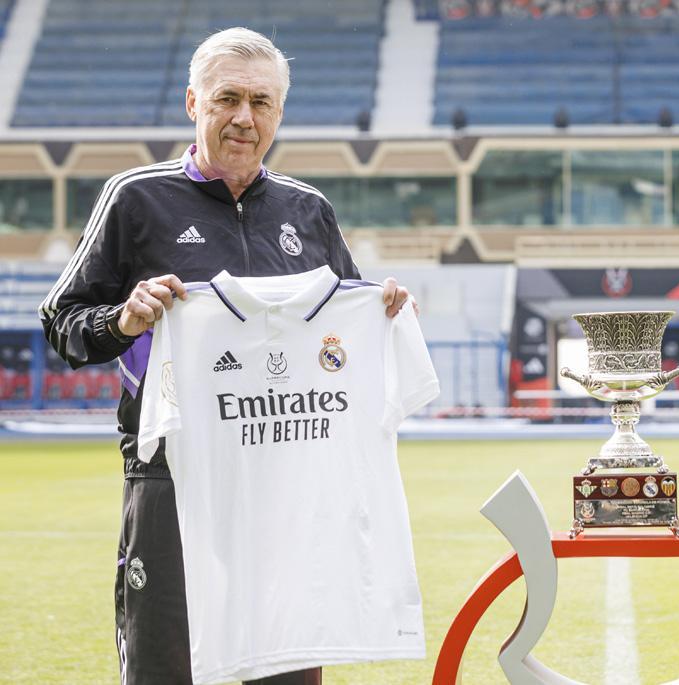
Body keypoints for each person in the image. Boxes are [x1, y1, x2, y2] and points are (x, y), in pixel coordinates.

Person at [38, 28, 413, 685]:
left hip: (287, 490)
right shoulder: (136, 199)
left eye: (261, 102)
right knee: (164, 672)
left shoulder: (309, 211)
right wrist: (123, 319)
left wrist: (379, 315)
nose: (244, 117)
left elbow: (341, 336)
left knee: (288, 676)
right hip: (172, 480)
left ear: (280, 113)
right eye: (227, 98)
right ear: (193, 103)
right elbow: (61, 323)